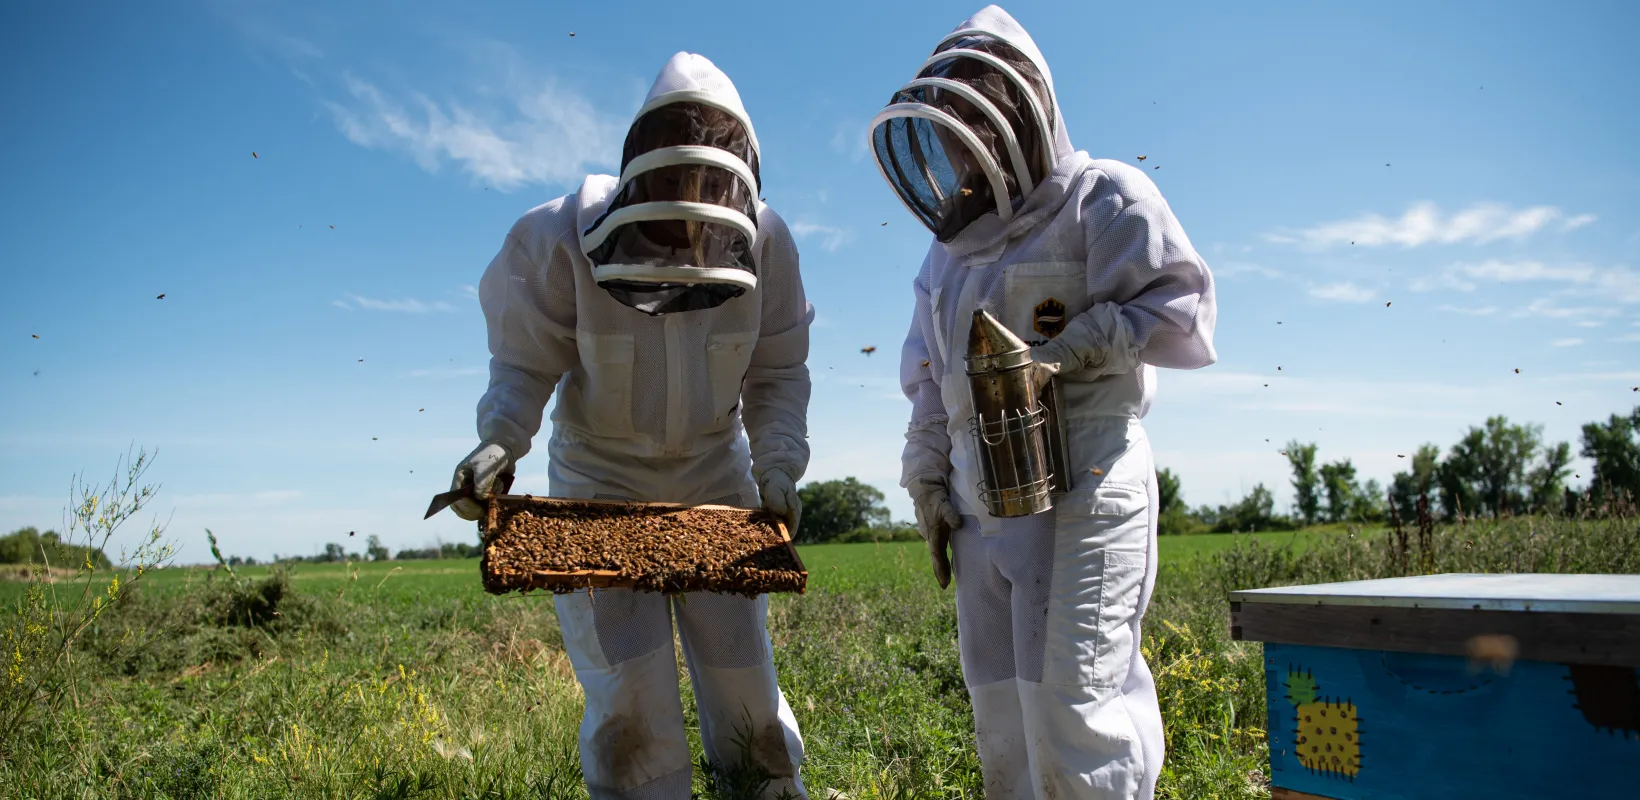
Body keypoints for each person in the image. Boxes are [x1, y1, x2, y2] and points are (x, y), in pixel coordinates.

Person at [869, 6, 1218, 798]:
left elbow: (1184, 309)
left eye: (978, 127)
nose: (966, 151)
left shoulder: (1105, 197)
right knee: (1001, 718)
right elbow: (929, 381)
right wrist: (926, 474)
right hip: (979, 500)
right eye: (954, 135)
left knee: (1077, 713)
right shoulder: (944, 257)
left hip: (1086, 480)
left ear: (1023, 114)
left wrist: (1091, 341)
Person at [447, 52, 813, 799]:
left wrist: (778, 465)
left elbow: (777, 372)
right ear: (642, 168)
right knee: (631, 708)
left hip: (718, 479)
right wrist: (498, 441)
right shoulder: (557, 238)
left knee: (747, 693)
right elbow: (523, 365)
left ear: (738, 180)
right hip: (598, 482)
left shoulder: (768, 243)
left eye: (712, 184)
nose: (692, 200)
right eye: (677, 179)